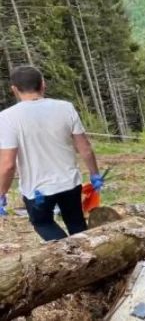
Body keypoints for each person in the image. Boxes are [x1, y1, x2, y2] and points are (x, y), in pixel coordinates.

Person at [0, 66, 103, 241]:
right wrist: (95, 174)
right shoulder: (65, 108)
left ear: (14, 89)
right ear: (43, 84)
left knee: (43, 224)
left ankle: (70, 254)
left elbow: (8, 164)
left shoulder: (7, 117)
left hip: (37, 190)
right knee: (76, 223)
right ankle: (87, 255)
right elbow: (85, 148)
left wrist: (1, 193)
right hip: (69, 182)